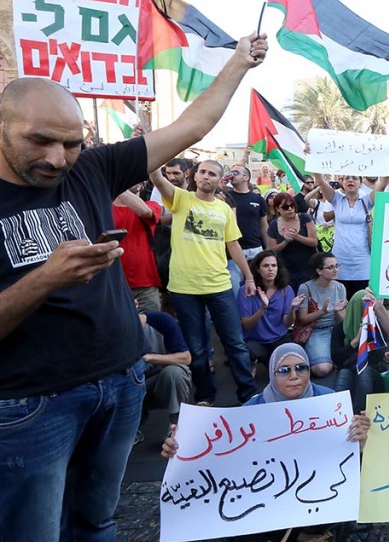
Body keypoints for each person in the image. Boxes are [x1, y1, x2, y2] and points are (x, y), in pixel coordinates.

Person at [0, 33, 267, 542]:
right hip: (30, 405)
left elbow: (188, 128)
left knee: (95, 527)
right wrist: (49, 276)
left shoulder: (91, 170)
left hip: (119, 384)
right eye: (40, 141)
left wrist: (238, 63)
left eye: (70, 144)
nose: (57, 158)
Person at [161, 343, 369, 542]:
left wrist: (360, 439)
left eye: (301, 368)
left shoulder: (328, 401)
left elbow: (347, 455)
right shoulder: (254, 409)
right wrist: (179, 449)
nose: (294, 375)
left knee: (326, 491)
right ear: (271, 374)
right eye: (284, 370)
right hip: (269, 497)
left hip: (314, 491)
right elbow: (223, 457)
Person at [150, 159, 262, 407]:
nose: (206, 177)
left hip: (219, 286)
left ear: (219, 179)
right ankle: (204, 397)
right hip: (183, 288)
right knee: (197, 349)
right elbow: (156, 177)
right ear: (195, 175)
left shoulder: (223, 209)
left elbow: (233, 245)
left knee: (235, 343)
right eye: (202, 172)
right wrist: (152, 148)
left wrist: (250, 277)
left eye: (212, 173)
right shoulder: (181, 198)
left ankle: (249, 394)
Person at [316, 170, 388, 298]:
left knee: (362, 301)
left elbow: (382, 184)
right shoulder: (336, 199)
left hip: (362, 261)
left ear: (360, 183)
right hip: (340, 260)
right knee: (341, 302)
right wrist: (313, 159)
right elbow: (320, 181)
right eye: (347, 178)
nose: (350, 180)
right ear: (342, 182)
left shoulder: (366, 200)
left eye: (354, 178)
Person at [237, 251, 305, 371]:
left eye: (274, 266)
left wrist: (292, 308)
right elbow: (247, 325)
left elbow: (287, 324)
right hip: (255, 341)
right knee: (243, 354)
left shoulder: (286, 289)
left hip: (279, 339)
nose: (270, 269)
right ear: (258, 269)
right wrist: (263, 308)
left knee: (294, 363)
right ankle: (254, 364)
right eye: (265, 266)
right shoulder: (246, 290)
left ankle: (271, 364)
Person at [296, 252, 348, 379]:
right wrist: (322, 311)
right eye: (330, 267)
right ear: (319, 271)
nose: (335, 270)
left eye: (337, 266)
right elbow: (302, 319)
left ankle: (331, 357)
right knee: (322, 369)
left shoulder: (340, 287)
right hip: (318, 330)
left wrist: (337, 311)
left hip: (337, 328)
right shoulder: (305, 288)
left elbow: (345, 321)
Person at [138, 308, 192, 431]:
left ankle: (177, 428)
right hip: (125, 389)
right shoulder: (107, 330)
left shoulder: (160, 320)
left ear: (136, 304)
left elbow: (186, 358)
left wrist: (149, 357)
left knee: (176, 373)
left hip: (155, 385)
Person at [112, 183, 163, 311]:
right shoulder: (102, 208)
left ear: (140, 186)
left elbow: (145, 212)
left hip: (145, 284)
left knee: (151, 327)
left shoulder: (152, 205)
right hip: (112, 284)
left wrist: (116, 183)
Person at [267, 191, 318, 291]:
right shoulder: (273, 224)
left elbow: (314, 242)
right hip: (285, 269)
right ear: (277, 209)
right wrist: (285, 241)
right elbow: (272, 250)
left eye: (292, 206)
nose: (290, 209)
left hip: (306, 267)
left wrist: (296, 236)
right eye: (285, 207)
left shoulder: (304, 218)